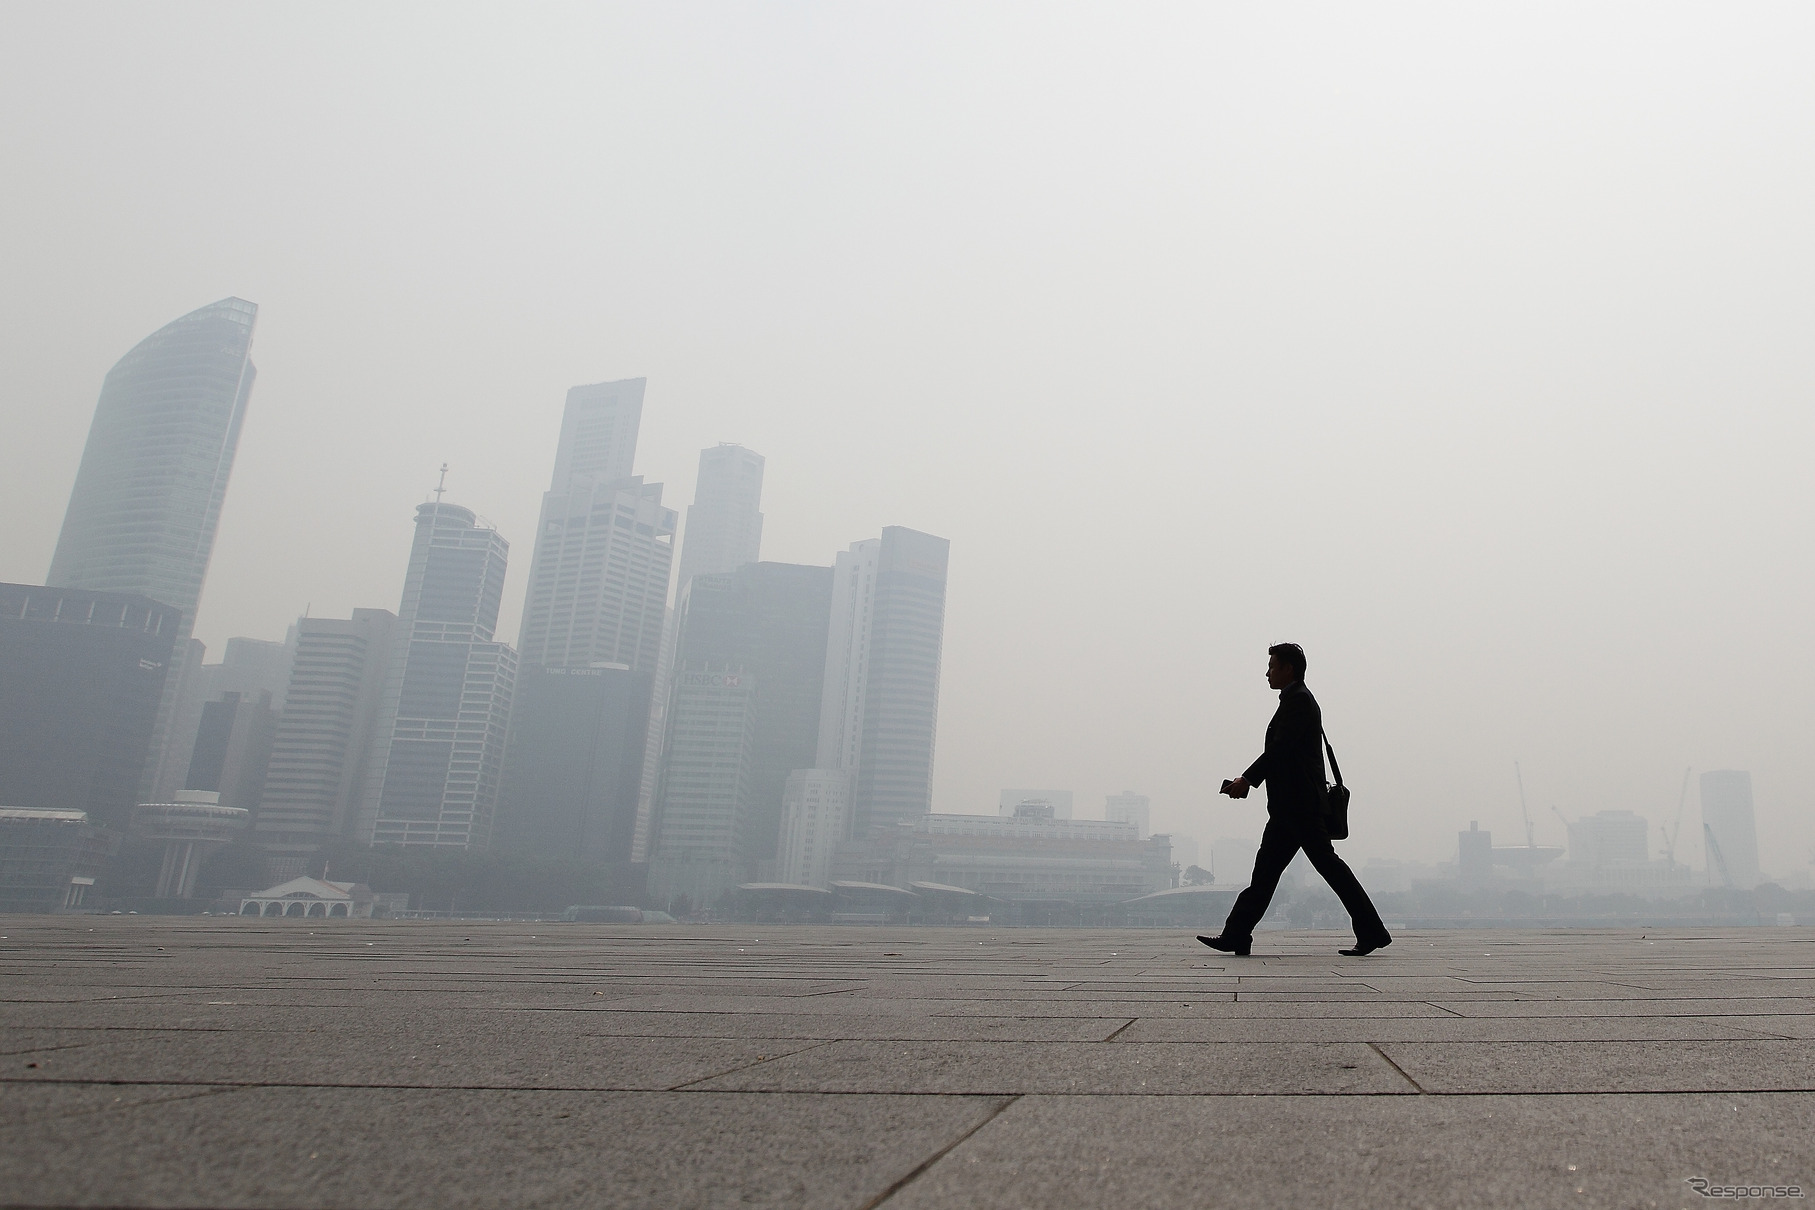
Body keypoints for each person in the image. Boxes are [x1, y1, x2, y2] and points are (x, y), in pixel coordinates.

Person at [1199, 643, 1391, 957]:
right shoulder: (1296, 700)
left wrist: (1247, 779)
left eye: (1272, 666)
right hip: (1292, 809)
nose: (1267, 672)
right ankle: (1237, 934)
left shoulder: (1299, 701)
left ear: (1289, 668)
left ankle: (1372, 931)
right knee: (1269, 874)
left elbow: (1280, 750)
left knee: (1323, 870)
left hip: (1299, 808)